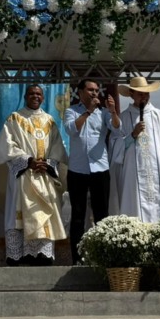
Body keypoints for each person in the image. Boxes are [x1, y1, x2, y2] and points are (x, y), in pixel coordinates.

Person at [0, 84, 68, 266]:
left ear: (43, 98)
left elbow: (57, 148)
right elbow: (7, 146)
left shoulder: (50, 121)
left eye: (39, 94)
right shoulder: (15, 118)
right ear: (26, 97)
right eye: (32, 94)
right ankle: (19, 254)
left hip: (44, 177)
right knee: (18, 213)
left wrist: (48, 163)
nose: (35, 96)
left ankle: (41, 254)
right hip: (22, 175)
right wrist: (28, 161)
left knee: (42, 214)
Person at [63, 78, 119, 263]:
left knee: (102, 215)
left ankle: (103, 257)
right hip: (77, 170)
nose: (95, 93)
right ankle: (77, 259)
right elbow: (72, 130)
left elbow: (117, 129)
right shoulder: (71, 111)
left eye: (96, 90)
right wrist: (88, 111)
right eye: (90, 90)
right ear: (80, 92)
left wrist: (112, 111)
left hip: (100, 168)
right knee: (78, 216)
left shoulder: (103, 113)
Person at [112, 76, 160, 222]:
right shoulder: (124, 117)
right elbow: (116, 147)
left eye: (146, 93)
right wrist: (133, 135)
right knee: (135, 210)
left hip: (158, 174)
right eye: (140, 93)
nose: (144, 97)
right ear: (131, 94)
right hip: (133, 176)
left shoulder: (159, 115)